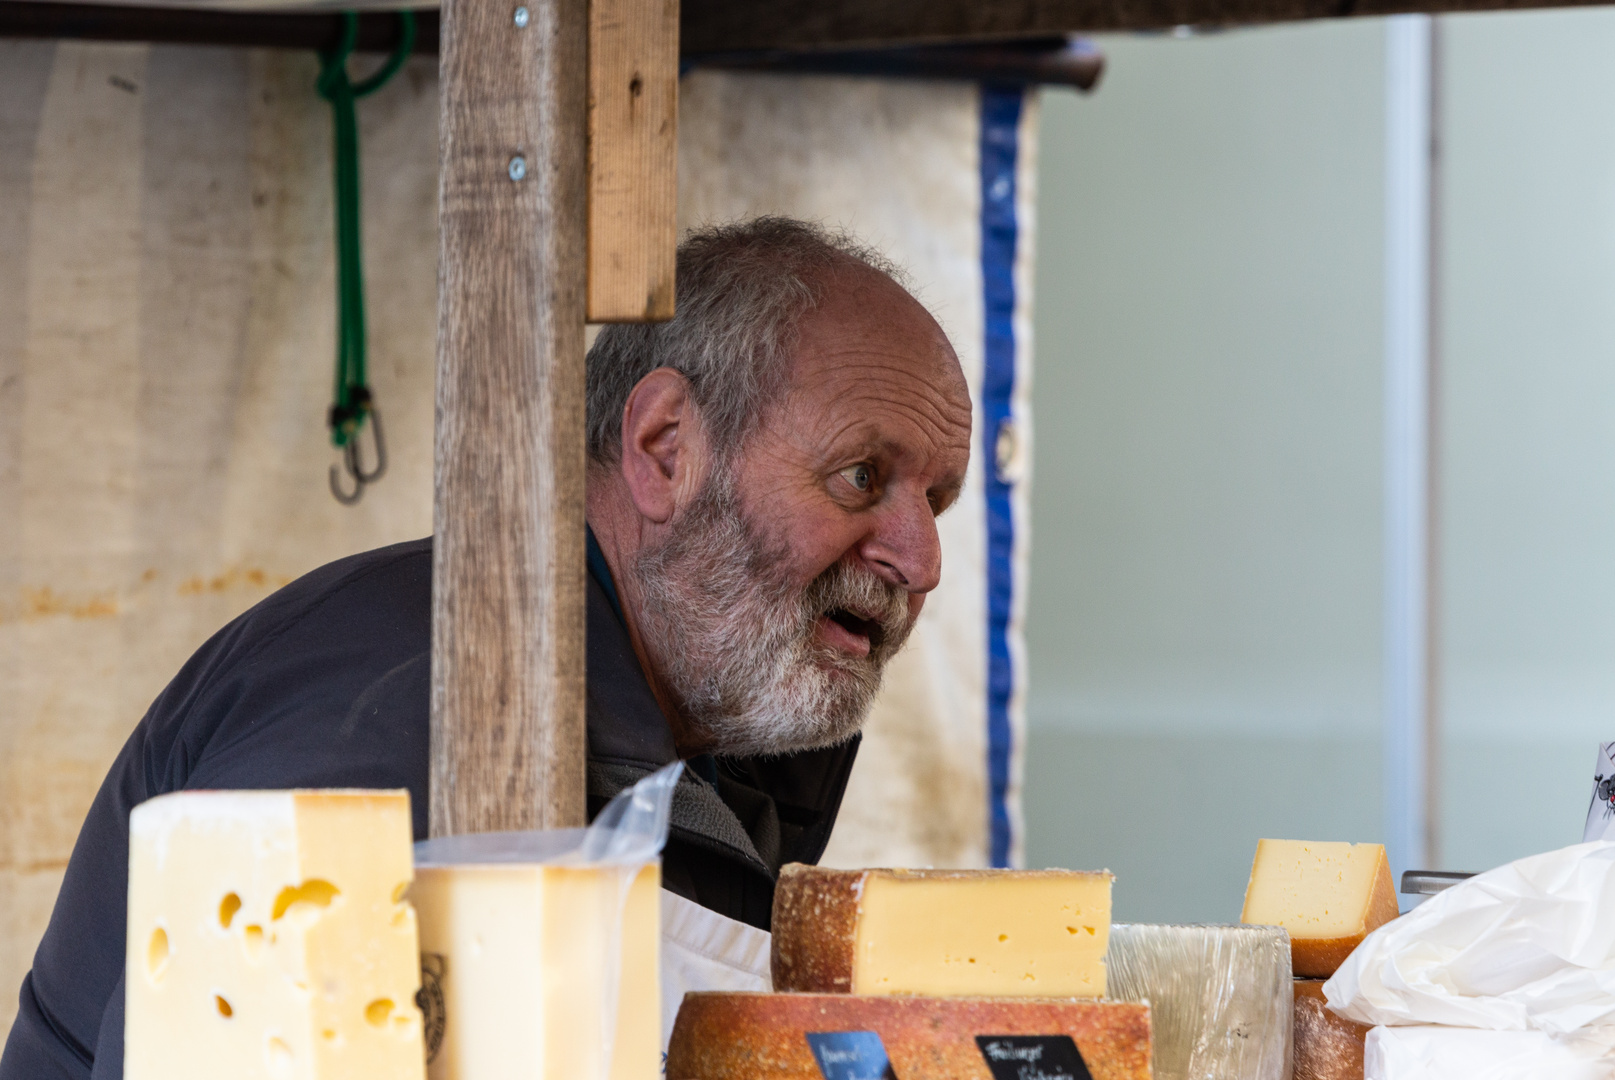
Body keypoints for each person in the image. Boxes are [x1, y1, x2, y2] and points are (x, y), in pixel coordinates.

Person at [0, 216, 973, 1080]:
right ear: (666, 447)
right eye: (860, 476)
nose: (919, 561)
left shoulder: (721, 724)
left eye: (935, 502)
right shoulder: (403, 729)